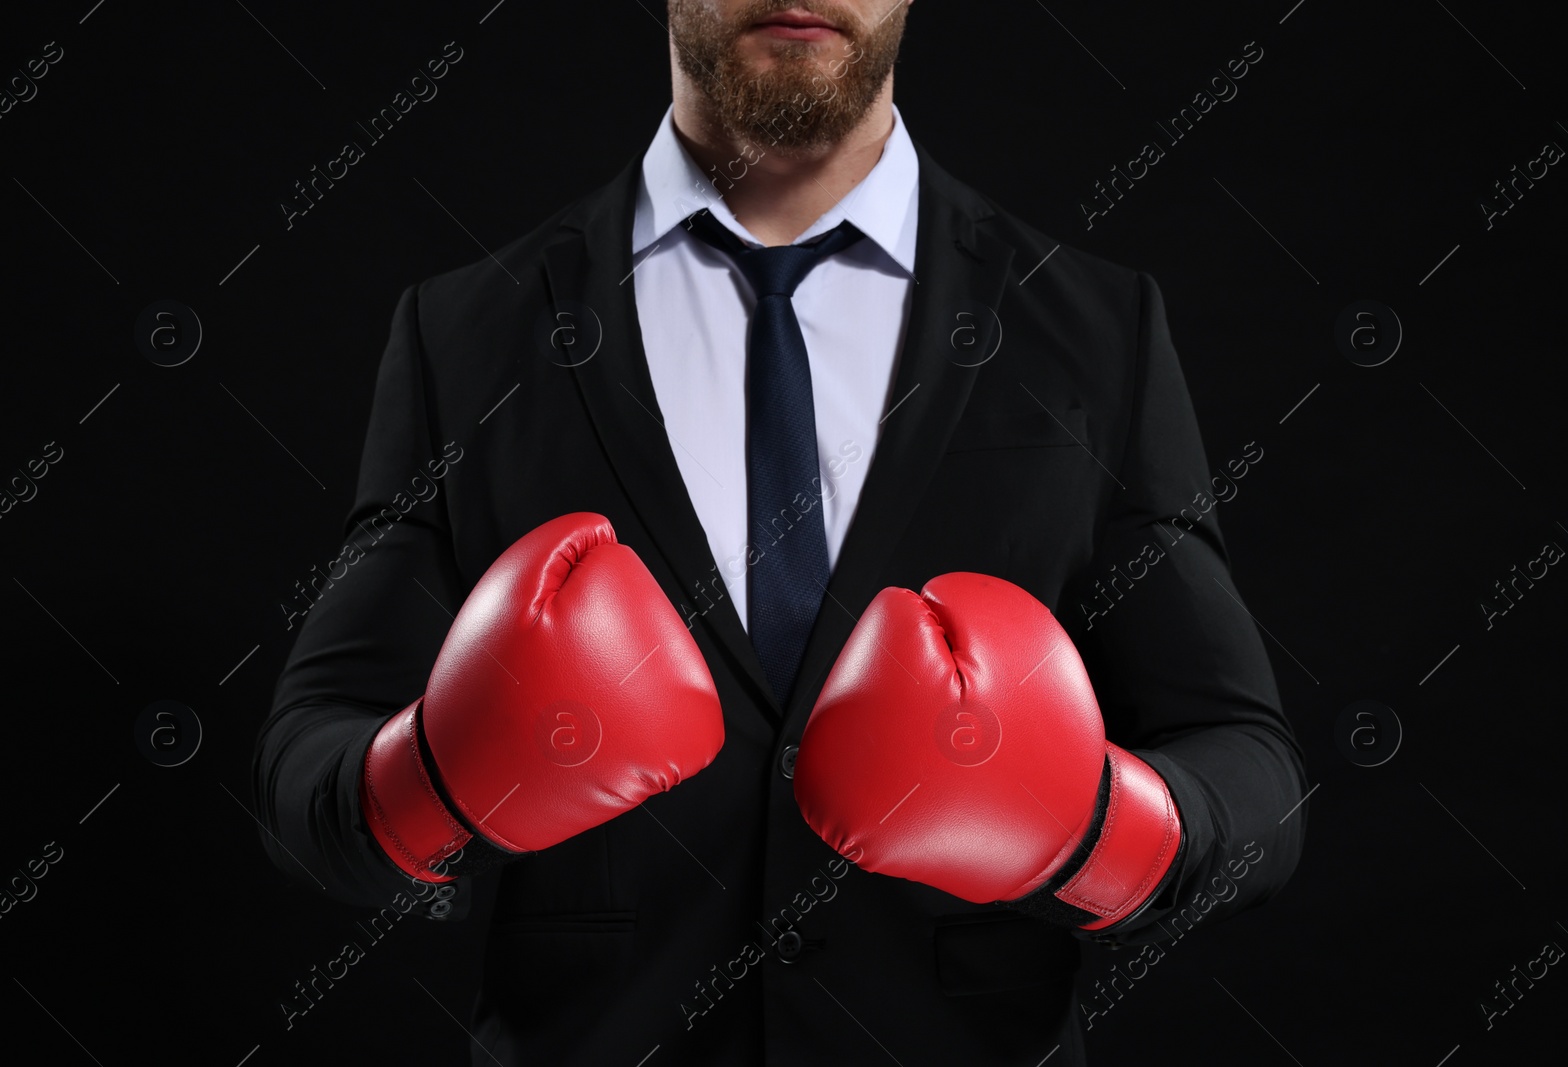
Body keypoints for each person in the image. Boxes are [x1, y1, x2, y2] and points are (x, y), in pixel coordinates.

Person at [252, 2, 1307, 1063]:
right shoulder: (467, 331)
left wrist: (1094, 831)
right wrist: (432, 783)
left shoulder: (1092, 329)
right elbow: (307, 763)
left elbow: (1248, 764)